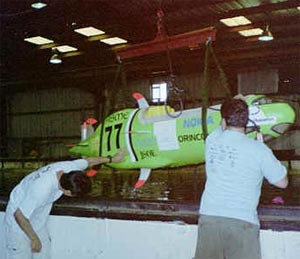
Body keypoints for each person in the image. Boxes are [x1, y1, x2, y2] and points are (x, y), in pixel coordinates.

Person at [193, 96, 288, 259]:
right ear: (246, 122)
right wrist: (264, 149)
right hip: (242, 222)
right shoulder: (259, 150)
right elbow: (282, 182)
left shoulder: (212, 141)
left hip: (209, 218)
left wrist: (233, 101)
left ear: (223, 121)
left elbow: (220, 128)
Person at [4, 150, 124, 259]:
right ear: (67, 192)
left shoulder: (68, 168)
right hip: (19, 220)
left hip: (37, 218)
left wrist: (112, 159)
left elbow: (88, 161)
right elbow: (19, 215)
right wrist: (34, 239)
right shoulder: (41, 189)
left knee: (44, 253)